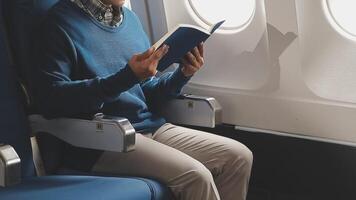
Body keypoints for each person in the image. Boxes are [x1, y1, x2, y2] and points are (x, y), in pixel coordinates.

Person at [32, 0, 253, 199]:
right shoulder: (59, 23)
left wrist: (182, 74)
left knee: (238, 157)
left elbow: (146, 91)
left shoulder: (131, 21)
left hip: (149, 127)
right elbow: (52, 99)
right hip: (101, 138)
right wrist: (127, 77)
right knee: (196, 176)